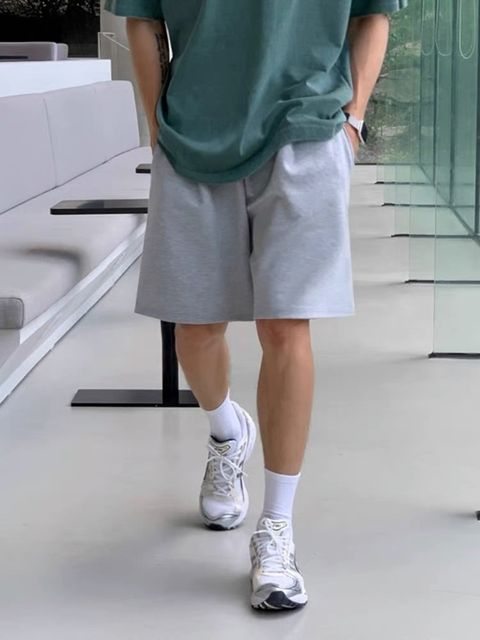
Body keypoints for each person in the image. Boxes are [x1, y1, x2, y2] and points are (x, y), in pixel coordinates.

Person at [105, 0, 408, 612]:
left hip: (306, 130)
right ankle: (227, 432)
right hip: (193, 138)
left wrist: (353, 119)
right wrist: (158, 127)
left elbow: (373, 13)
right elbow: (141, 17)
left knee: (285, 325)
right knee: (194, 327)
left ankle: (277, 529)